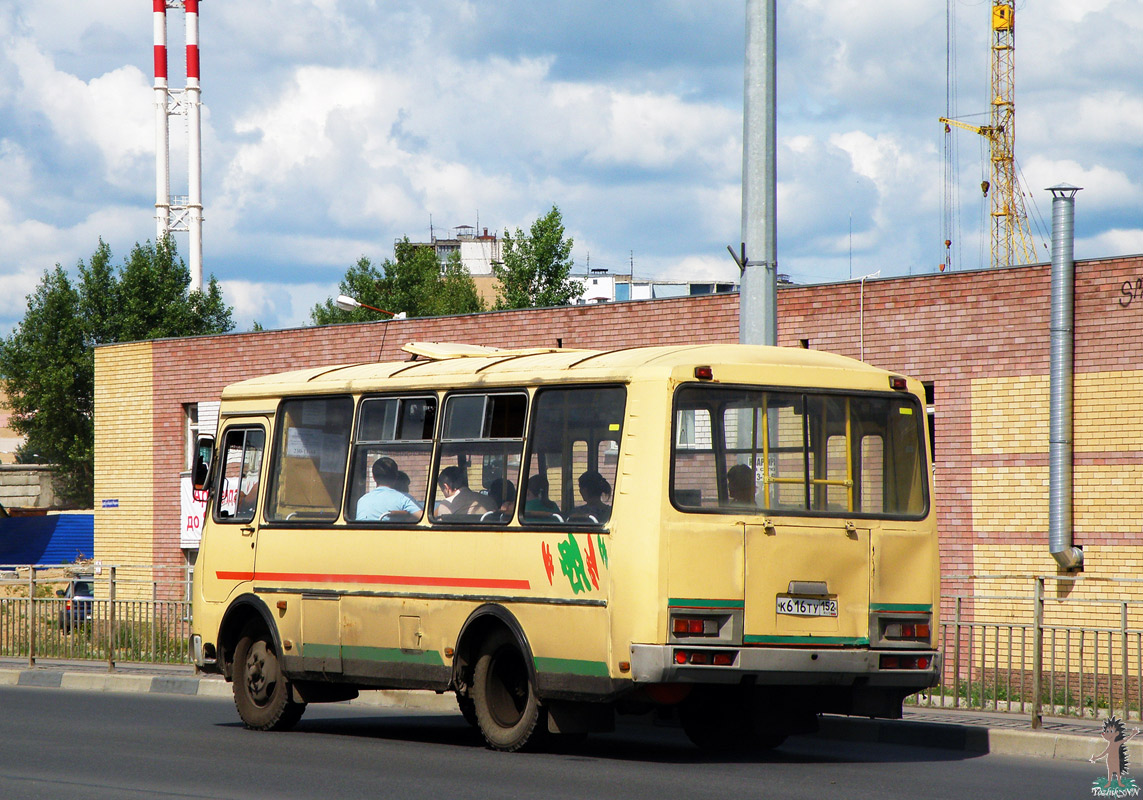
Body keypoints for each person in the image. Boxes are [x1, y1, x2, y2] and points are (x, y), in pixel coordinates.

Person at [356, 457, 422, 521]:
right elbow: (425, 518)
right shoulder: (404, 499)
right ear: (396, 476)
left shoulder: (362, 501)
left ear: (373, 477)